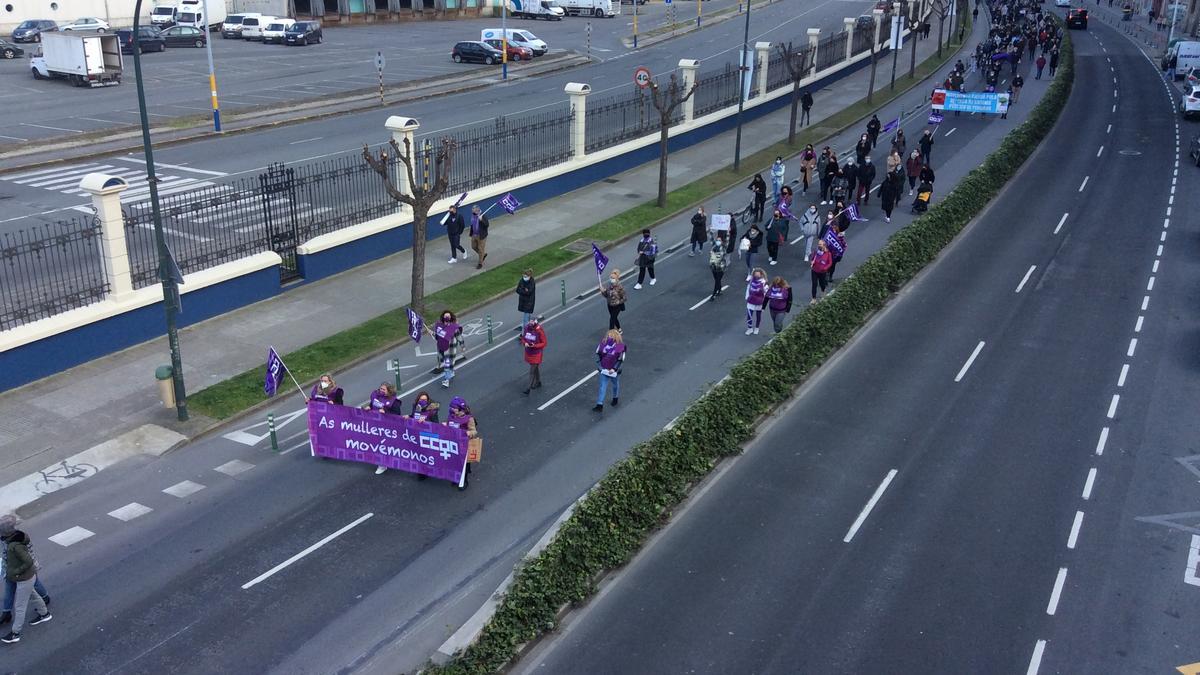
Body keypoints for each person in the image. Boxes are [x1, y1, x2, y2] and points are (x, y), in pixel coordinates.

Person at [1, 518, 50, 644]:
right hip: (26, 577)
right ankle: (44, 614)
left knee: (20, 606)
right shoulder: (15, 539)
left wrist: (16, 571)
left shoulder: (15, 546)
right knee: (33, 595)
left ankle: (15, 633)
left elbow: (28, 561)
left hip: (24, 578)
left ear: (5, 532)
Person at [366, 383, 402, 474]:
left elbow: (397, 415)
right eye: (380, 388)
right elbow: (372, 405)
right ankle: (382, 465)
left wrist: (386, 412)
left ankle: (390, 460)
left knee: (387, 446)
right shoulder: (377, 397)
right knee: (378, 445)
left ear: (389, 391)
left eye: (383, 389)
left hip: (387, 428)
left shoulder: (394, 401)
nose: (381, 390)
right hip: (375, 425)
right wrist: (368, 407)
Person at [593, 330, 625, 412]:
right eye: (608, 335)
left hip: (614, 370)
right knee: (602, 387)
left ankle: (615, 398)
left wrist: (614, 369)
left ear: (616, 336)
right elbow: (597, 355)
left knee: (615, 385)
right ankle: (599, 404)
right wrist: (600, 367)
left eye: (611, 335)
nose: (609, 337)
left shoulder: (620, 346)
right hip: (604, 369)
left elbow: (620, 359)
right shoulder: (603, 343)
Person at [432, 310, 463, 388]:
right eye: (445, 316)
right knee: (448, 364)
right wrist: (432, 333)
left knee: (447, 364)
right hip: (443, 348)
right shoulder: (439, 326)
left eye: (448, 316)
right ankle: (450, 373)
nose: (446, 317)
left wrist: (463, 346)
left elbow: (458, 336)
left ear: (450, 317)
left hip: (451, 349)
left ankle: (446, 380)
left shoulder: (453, 327)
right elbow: (437, 337)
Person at [519, 318, 546, 395]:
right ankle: (538, 381)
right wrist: (525, 343)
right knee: (535, 368)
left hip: (537, 353)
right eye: (529, 324)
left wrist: (535, 345)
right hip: (529, 352)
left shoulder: (539, 331)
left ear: (535, 324)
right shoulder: (527, 328)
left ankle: (528, 388)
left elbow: (544, 343)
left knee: (532, 370)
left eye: (531, 324)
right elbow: (523, 338)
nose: (530, 325)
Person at [744, 267, 768, 335]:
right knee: (749, 315)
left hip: (759, 302)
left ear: (761, 274)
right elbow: (748, 289)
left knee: (758, 316)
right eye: (755, 275)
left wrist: (764, 300)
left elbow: (766, 292)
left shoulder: (764, 282)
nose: (756, 276)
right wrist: (747, 298)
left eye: (758, 275)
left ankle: (757, 328)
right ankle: (750, 328)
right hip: (751, 301)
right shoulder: (751, 281)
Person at [810, 239, 832, 303]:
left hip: (822, 272)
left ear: (824, 245)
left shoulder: (828, 254)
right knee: (814, 284)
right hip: (814, 270)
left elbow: (830, 263)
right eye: (818, 244)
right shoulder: (816, 251)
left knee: (822, 284)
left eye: (820, 244)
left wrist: (825, 268)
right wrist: (812, 262)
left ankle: (823, 291)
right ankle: (813, 298)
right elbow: (812, 258)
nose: (819, 245)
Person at [708, 233, 728, 301]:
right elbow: (711, 239)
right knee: (716, 279)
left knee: (717, 280)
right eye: (717, 240)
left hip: (721, 267)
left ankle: (713, 295)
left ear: (722, 241)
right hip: (714, 267)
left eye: (719, 240)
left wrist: (728, 232)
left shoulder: (724, 247)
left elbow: (727, 240)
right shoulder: (713, 246)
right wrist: (710, 232)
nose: (718, 241)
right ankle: (719, 290)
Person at [469, 205, 490, 269]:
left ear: (477, 210)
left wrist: (481, 220)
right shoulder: (473, 215)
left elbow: (487, 225)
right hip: (474, 235)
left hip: (481, 235)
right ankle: (483, 255)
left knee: (480, 249)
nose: (472, 210)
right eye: (472, 209)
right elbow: (472, 224)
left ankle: (480, 263)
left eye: (473, 209)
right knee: (473, 247)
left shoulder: (483, 215)